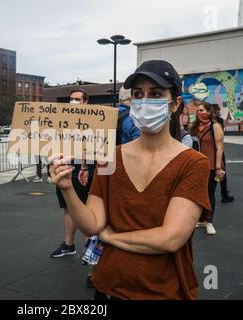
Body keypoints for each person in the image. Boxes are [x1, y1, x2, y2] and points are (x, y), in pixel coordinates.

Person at [49, 60, 211, 300]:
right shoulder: (110, 157)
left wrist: (111, 237)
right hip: (108, 287)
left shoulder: (193, 163)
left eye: (155, 93)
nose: (145, 101)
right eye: (138, 94)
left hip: (163, 292)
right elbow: (92, 224)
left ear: (175, 104)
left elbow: (170, 238)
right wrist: (67, 189)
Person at [50, 89, 96, 258]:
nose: (73, 101)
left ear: (85, 102)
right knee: (68, 208)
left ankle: (89, 250)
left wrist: (84, 167)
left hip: (82, 169)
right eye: (71, 99)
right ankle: (69, 245)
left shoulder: (92, 120)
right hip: (65, 167)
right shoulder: (64, 120)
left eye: (77, 99)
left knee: (84, 208)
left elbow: (91, 145)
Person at [191, 102, 225, 235]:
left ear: (209, 112)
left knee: (210, 193)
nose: (201, 113)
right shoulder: (194, 127)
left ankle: (209, 221)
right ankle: (201, 220)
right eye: (198, 110)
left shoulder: (215, 126)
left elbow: (220, 147)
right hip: (197, 166)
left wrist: (218, 167)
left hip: (212, 166)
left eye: (203, 110)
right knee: (199, 193)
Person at [212, 104, 234, 203]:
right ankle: (224, 194)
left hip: (208, 150)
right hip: (217, 149)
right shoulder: (218, 121)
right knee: (222, 171)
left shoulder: (207, 121)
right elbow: (221, 136)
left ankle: (221, 193)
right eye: (218, 110)